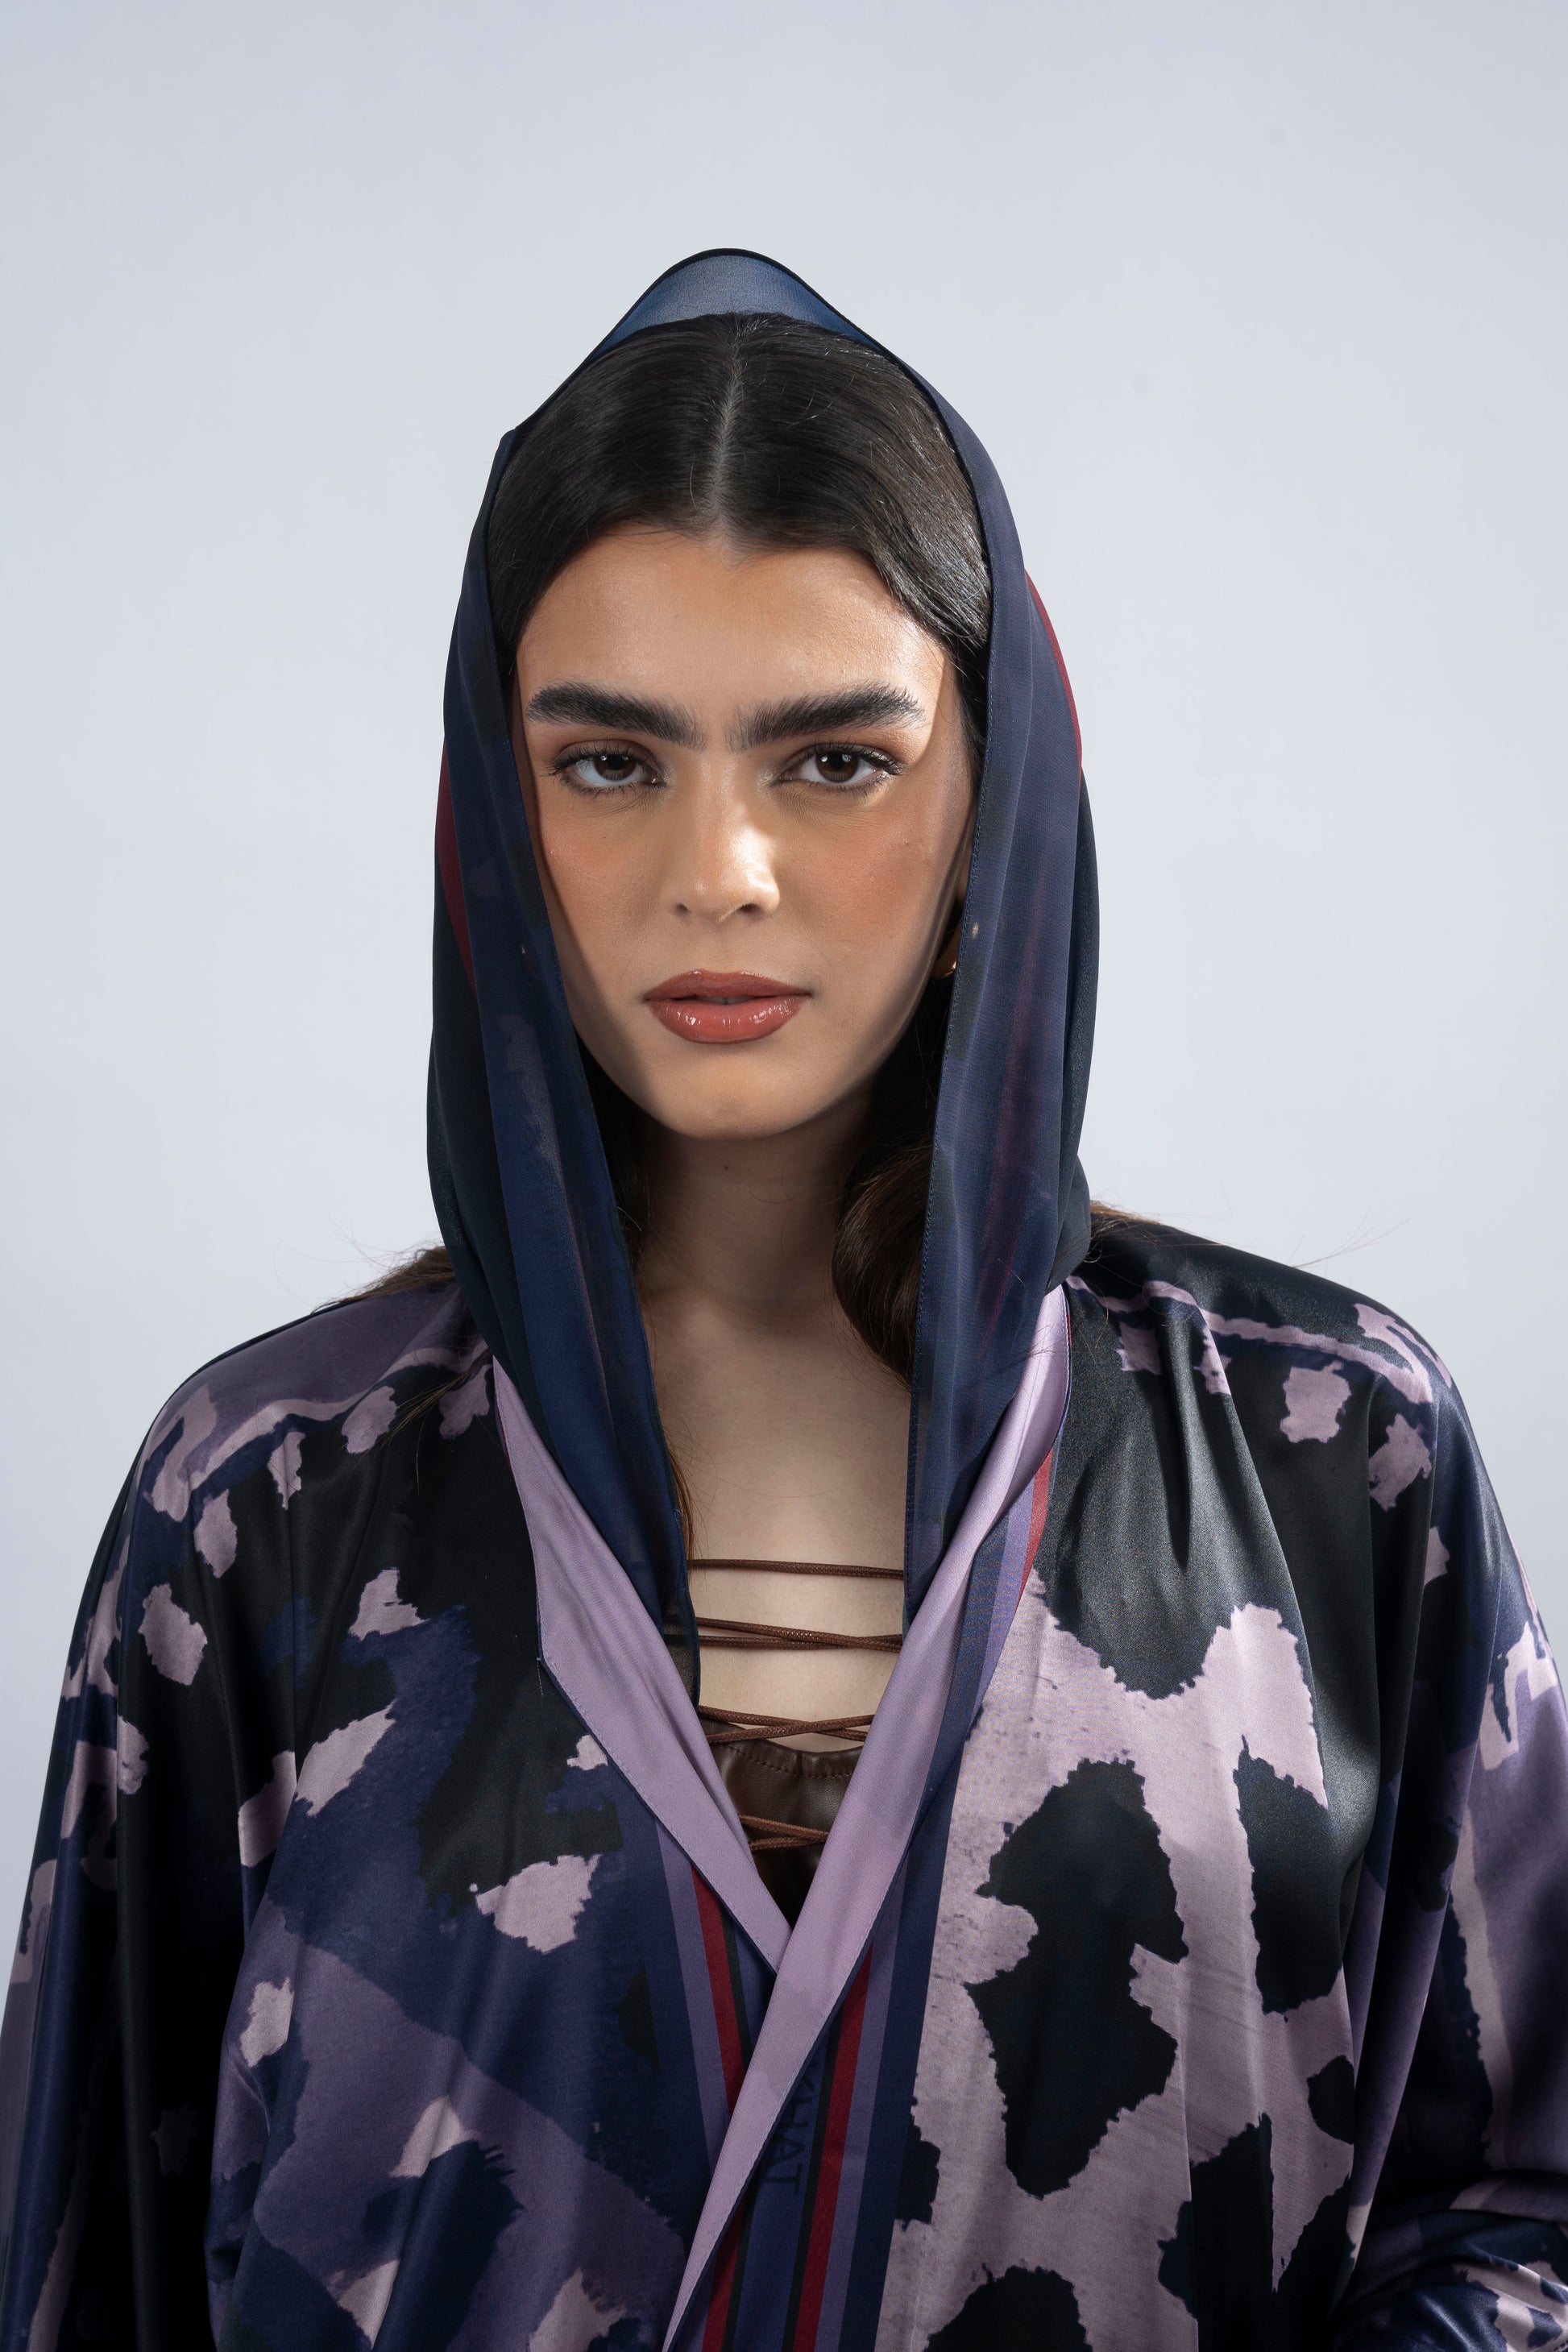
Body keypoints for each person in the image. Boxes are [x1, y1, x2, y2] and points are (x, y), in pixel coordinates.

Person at [2, 251, 1565, 2352]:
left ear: (996, 801)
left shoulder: (1327, 1460)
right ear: (493, 818)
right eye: (608, 762)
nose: (718, 867)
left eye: (833, 762)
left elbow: (1525, 2209)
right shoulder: (269, 1506)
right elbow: (79, 2261)